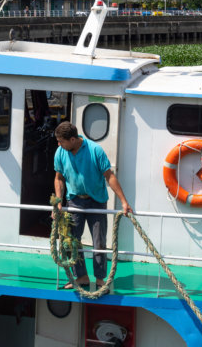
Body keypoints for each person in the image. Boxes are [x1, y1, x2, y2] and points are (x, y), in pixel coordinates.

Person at [53, 121, 131, 291]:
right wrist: (58, 202)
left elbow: (109, 176)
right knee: (72, 241)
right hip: (74, 200)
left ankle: (100, 279)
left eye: (61, 141)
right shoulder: (60, 152)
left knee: (99, 241)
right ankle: (81, 277)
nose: (58, 144)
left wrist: (124, 202)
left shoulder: (95, 150)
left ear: (72, 139)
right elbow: (59, 178)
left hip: (96, 200)